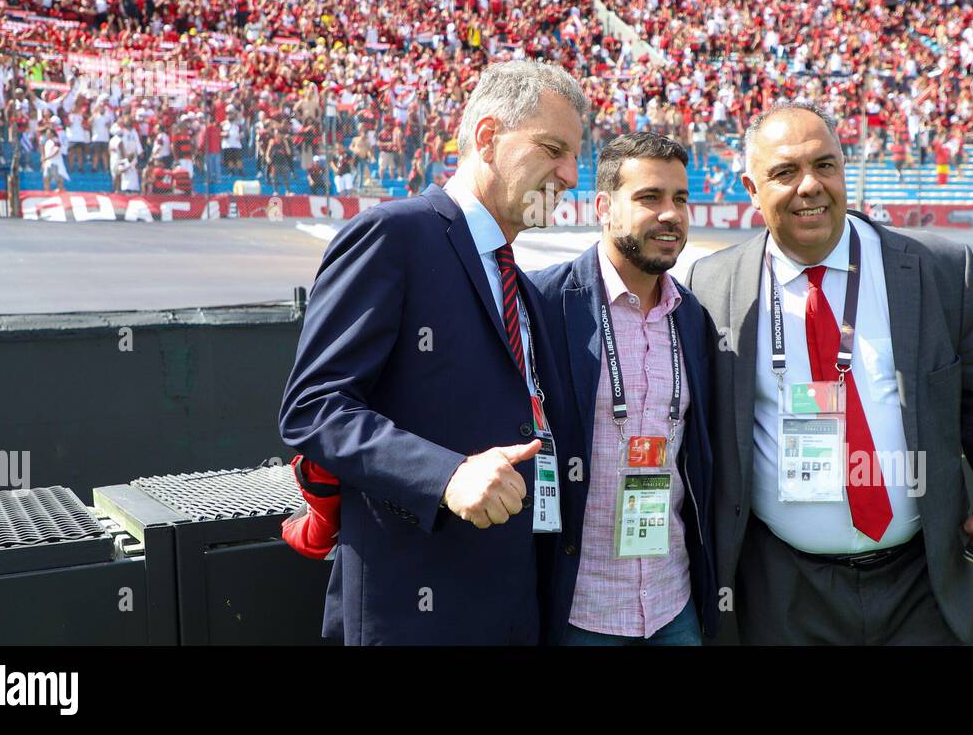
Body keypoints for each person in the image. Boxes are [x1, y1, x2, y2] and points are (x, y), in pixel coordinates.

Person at [687, 101, 973, 645]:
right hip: (784, 587)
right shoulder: (711, 286)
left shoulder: (938, 268)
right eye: (785, 173)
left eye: (825, 165)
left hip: (924, 579)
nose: (810, 186)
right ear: (751, 190)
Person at [278, 60, 587, 645]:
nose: (570, 174)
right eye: (552, 149)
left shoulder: (519, 280)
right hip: (414, 611)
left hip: (513, 606)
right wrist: (446, 476)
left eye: (573, 155)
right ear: (488, 138)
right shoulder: (396, 234)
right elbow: (314, 408)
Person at [531, 132, 716, 646]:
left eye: (680, 198)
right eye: (649, 197)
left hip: (672, 604)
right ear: (603, 207)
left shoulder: (693, 316)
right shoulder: (543, 302)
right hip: (579, 610)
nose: (671, 214)